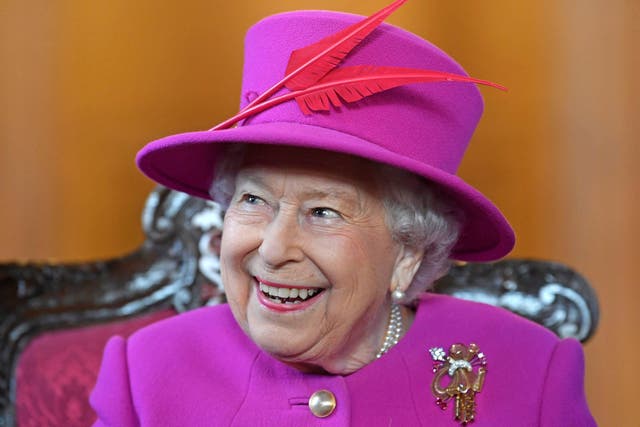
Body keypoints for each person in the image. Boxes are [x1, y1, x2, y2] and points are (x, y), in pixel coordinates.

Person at [90, 2, 595, 425]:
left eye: (324, 211)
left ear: (408, 251)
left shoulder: (530, 372)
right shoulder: (145, 375)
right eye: (253, 200)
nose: (272, 249)